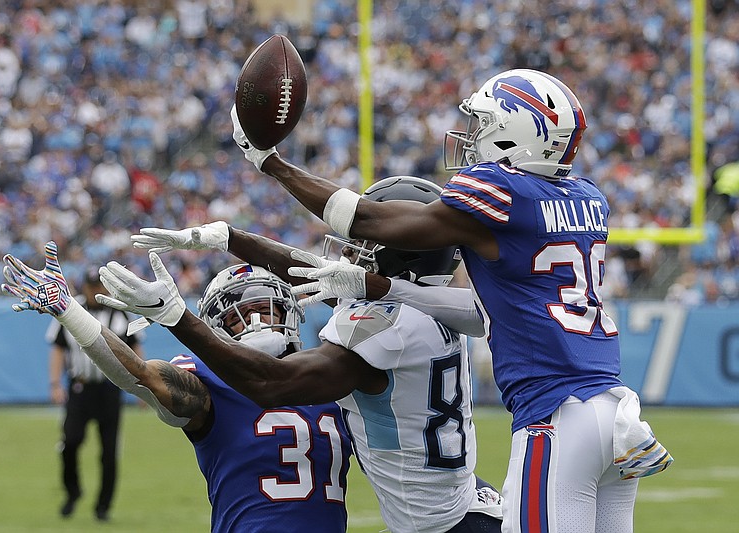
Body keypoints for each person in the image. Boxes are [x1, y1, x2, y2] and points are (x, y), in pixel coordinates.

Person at [229, 69, 673, 533]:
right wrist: (379, 287)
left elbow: (368, 221)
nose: (473, 136)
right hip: (614, 409)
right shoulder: (587, 198)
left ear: (515, 134)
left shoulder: (503, 191)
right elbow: (484, 316)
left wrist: (271, 163)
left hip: (556, 415)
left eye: (484, 124)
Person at [101, 177, 504, 532]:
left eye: (365, 241)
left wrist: (177, 318)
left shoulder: (389, 328)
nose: (350, 252)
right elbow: (306, 270)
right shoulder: (425, 303)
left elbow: (270, 383)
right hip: (458, 504)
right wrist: (228, 238)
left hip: (441, 526)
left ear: (401, 255)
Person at [2, 242, 351, 533]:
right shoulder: (211, 384)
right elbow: (141, 374)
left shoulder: (336, 382)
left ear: (290, 313)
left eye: (266, 309)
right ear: (217, 331)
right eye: (238, 316)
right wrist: (71, 311)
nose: (257, 323)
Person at [46, 268, 143, 521]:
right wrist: (55, 383)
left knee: (109, 453)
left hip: (109, 389)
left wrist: (143, 388)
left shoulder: (119, 313)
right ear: (84, 288)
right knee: (70, 442)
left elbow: (135, 348)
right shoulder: (69, 309)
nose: (95, 292)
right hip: (80, 387)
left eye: (99, 287)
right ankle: (73, 491)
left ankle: (103, 508)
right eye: (91, 287)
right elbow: (58, 348)